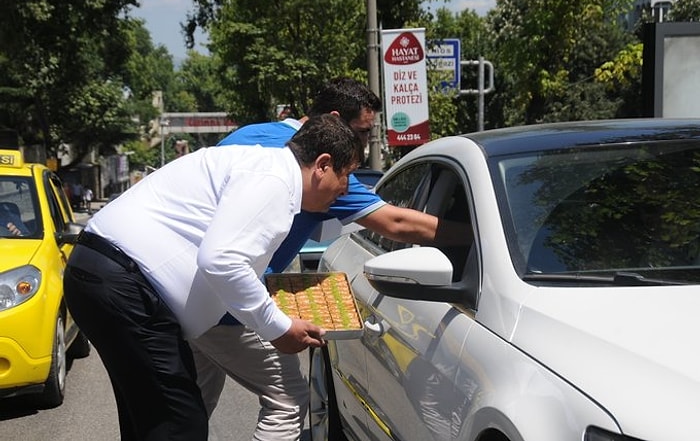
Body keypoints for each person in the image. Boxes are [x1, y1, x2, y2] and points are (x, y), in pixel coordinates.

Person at [190, 77, 472, 440]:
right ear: (336, 120)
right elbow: (397, 222)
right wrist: (476, 235)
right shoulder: (325, 170)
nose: (367, 144)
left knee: (190, 405)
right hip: (234, 303)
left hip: (190, 294)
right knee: (288, 399)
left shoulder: (249, 135)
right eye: (364, 132)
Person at [62, 114, 364, 441]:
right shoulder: (275, 181)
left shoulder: (265, 168)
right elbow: (222, 260)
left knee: (155, 422)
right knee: (181, 424)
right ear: (322, 164)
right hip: (124, 285)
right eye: (347, 175)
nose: (345, 189)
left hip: (108, 278)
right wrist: (278, 328)